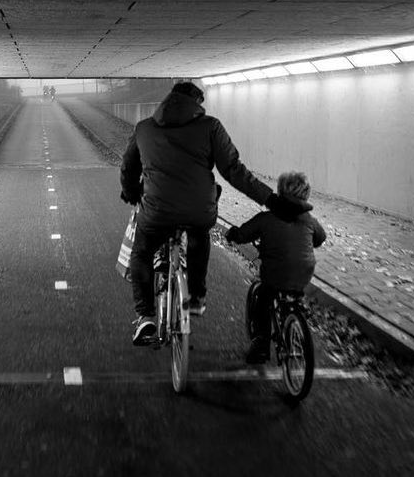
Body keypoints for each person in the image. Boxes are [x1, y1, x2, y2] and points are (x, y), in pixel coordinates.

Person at [120, 81, 307, 346]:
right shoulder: (210, 127)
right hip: (199, 210)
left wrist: (129, 192)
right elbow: (233, 170)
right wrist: (272, 201)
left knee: (142, 251)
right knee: (198, 236)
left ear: (168, 101)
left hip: (156, 211)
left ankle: (146, 316)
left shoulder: (144, 128)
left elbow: (128, 169)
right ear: (197, 103)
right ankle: (195, 297)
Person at [225, 171, 327, 363]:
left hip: (274, 274)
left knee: (262, 298)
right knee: (293, 293)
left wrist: (233, 234)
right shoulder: (309, 220)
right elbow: (320, 238)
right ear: (306, 194)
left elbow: (244, 233)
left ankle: (261, 344)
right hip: (303, 274)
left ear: (280, 191)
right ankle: (294, 318)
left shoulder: (267, 218)